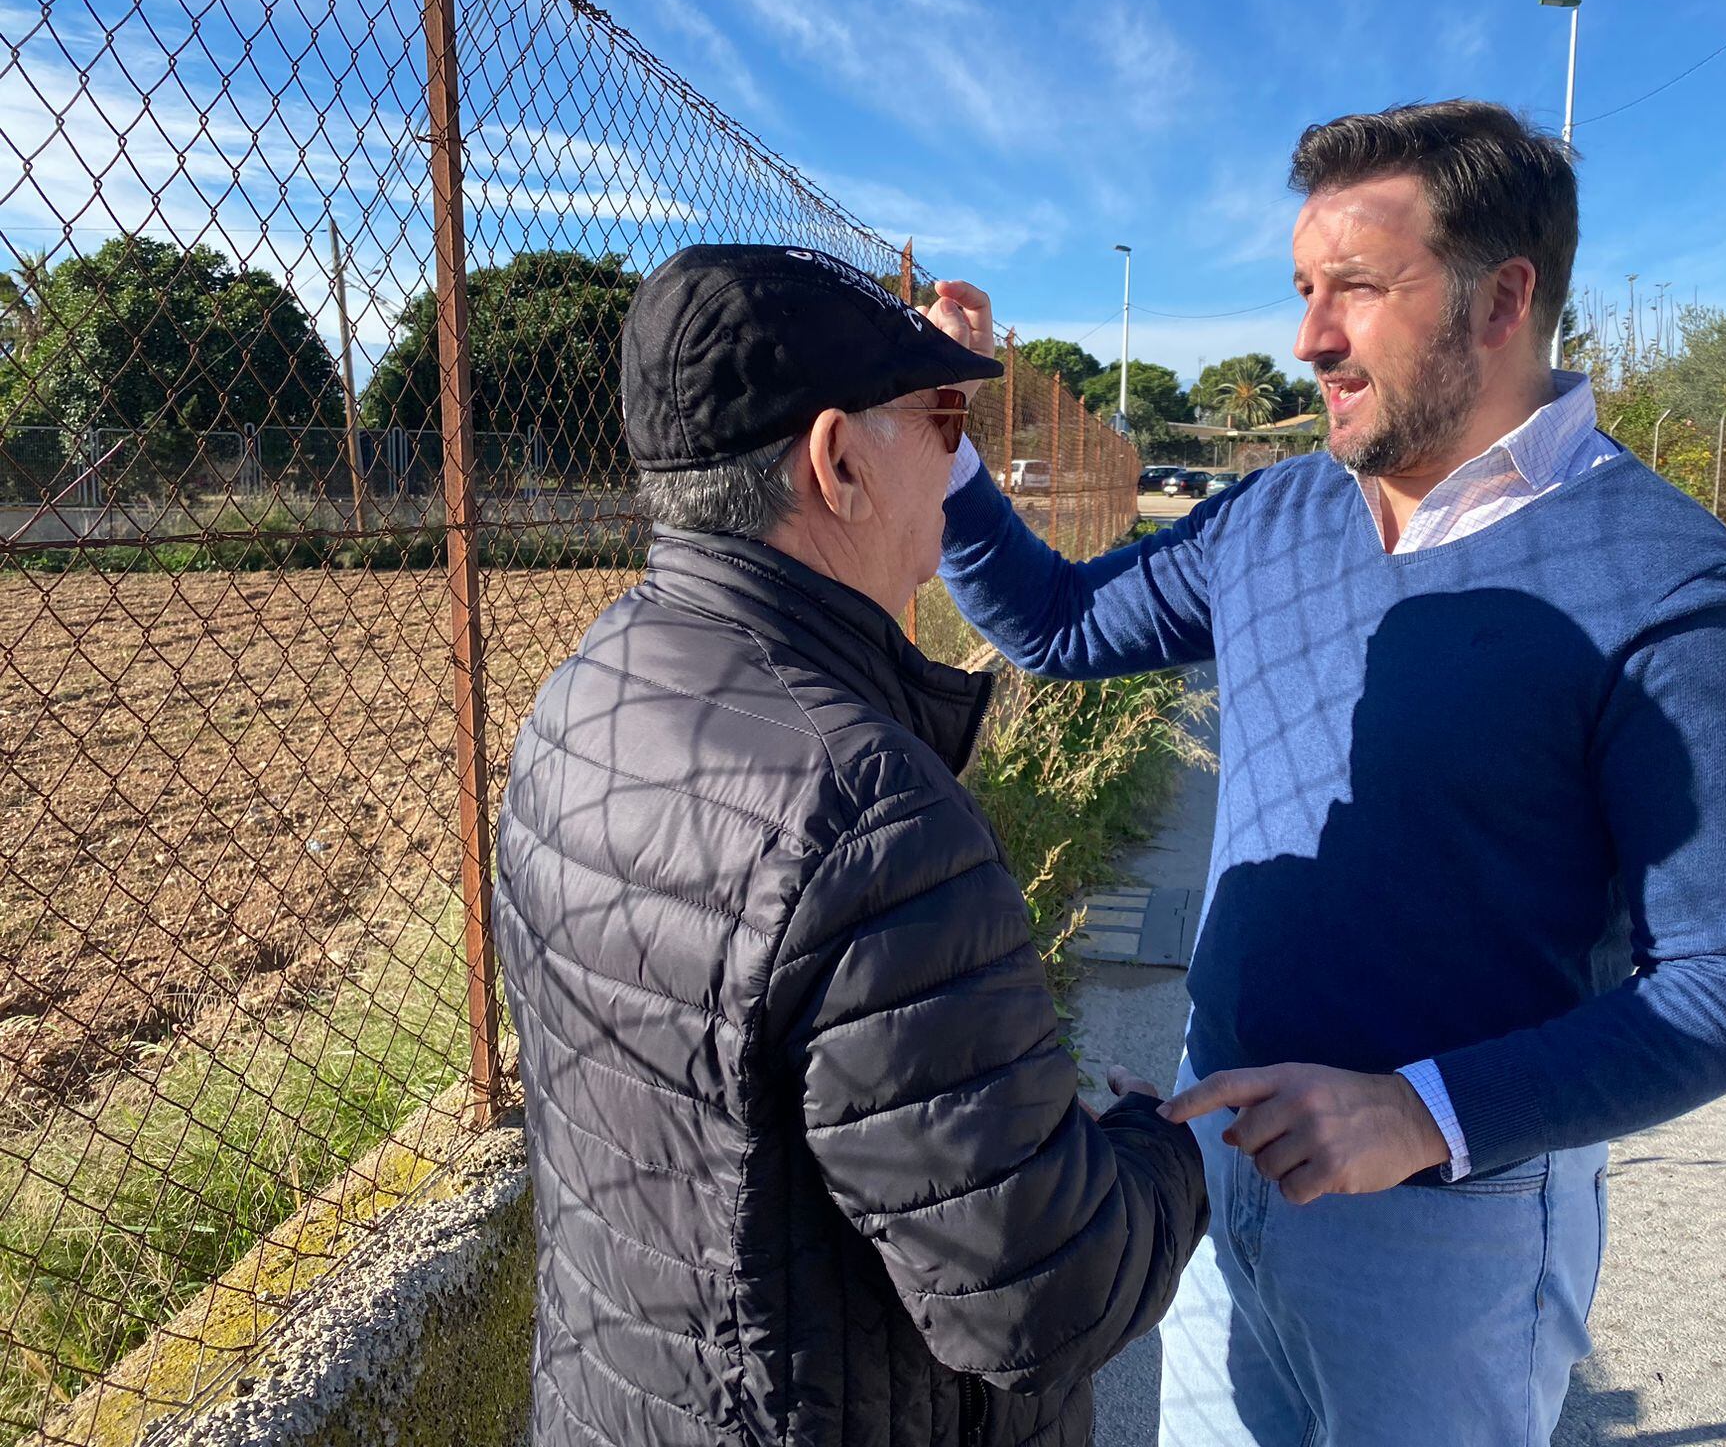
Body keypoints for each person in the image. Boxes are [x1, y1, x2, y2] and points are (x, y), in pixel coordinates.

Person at [924, 101, 1726, 1445]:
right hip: (1221, 1156)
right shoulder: (1278, 515)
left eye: (1356, 289)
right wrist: (942, 435)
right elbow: (1055, 626)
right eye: (1302, 288)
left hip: (1449, 1239)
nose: (1308, 338)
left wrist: (1421, 1113)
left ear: (1500, 297)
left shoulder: (1670, 588)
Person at [494, 243, 1208, 1447]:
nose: (959, 457)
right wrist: (1169, 1150)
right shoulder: (868, 817)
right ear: (836, 463)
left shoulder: (587, 695)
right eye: (939, 418)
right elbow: (1041, 1291)